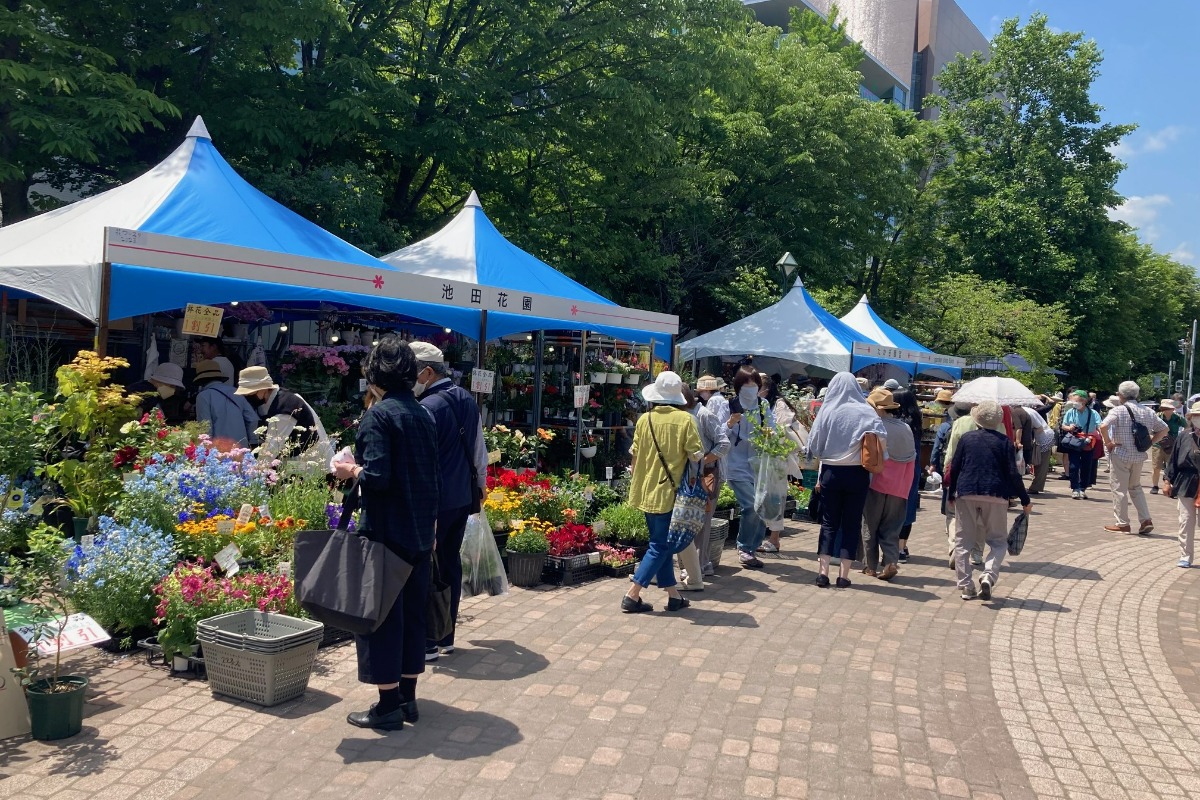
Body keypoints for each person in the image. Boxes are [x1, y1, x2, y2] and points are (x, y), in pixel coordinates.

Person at [332, 336, 439, 731]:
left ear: (375, 374)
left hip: (385, 534)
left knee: (380, 618)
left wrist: (350, 471)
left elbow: (377, 477)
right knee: (413, 616)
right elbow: (432, 476)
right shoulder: (423, 414)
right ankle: (408, 700)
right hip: (419, 532)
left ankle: (387, 704)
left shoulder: (379, 417)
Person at [410, 342, 488, 662]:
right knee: (450, 564)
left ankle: (429, 641)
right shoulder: (466, 399)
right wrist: (480, 488)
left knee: (429, 568)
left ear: (427, 372)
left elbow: (423, 464)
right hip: (462, 498)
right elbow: (478, 449)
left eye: (411, 372)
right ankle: (447, 635)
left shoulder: (428, 407)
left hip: (437, 502)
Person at [622, 372, 702, 613]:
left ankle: (673, 595)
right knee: (660, 546)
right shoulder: (686, 420)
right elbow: (696, 455)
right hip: (671, 494)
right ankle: (632, 594)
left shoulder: (644, 419)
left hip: (645, 490)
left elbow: (635, 457)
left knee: (661, 543)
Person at [805, 372, 887, 588]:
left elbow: (813, 445)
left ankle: (823, 573)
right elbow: (882, 444)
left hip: (831, 472)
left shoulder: (828, 410)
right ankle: (844, 575)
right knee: (851, 524)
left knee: (829, 522)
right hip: (858, 473)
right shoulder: (866, 411)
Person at [947, 401, 1031, 600]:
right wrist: (1025, 499)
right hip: (996, 494)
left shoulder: (967, 439)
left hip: (966, 492)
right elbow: (1013, 473)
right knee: (998, 542)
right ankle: (988, 574)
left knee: (962, 542)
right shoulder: (1004, 442)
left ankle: (966, 585)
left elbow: (955, 467)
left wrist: (951, 493)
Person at [1100, 381, 1168, 534]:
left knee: (1119, 489)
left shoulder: (1118, 410)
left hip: (1121, 454)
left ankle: (1123, 523)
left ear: (1121, 395)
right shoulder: (1148, 411)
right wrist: (1150, 443)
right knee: (1136, 488)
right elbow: (1164, 429)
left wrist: (1108, 443)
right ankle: (1146, 520)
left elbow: (1103, 426)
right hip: (1139, 455)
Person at [860, 389, 915, 581]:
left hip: (876, 484)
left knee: (870, 526)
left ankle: (870, 566)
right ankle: (891, 561)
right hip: (900, 488)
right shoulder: (906, 428)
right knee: (892, 528)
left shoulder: (875, 426)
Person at [725, 367, 776, 569]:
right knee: (750, 506)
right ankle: (744, 548)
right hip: (735, 465)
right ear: (738, 387)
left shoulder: (763, 406)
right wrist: (730, 423)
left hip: (758, 464)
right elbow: (718, 434)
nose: (751, 390)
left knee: (761, 507)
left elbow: (772, 428)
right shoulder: (728, 405)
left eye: (754, 386)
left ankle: (752, 549)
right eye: (746, 386)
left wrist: (770, 434)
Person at [679, 385, 729, 588]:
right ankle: (700, 564)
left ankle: (697, 566)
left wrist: (703, 460)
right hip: (686, 473)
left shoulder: (704, 415)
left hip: (706, 473)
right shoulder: (681, 415)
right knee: (688, 519)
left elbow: (724, 444)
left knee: (701, 520)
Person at [758, 375, 803, 553]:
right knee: (764, 498)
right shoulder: (762, 404)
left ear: (766, 389)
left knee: (775, 497)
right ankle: (768, 537)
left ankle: (774, 538)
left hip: (776, 458)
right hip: (765, 458)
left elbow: (781, 432)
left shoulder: (779, 405)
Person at [234, 366, 321, 455]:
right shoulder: (268, 403)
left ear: (263, 388)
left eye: (250, 393)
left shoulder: (284, 407)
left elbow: (272, 450)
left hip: (303, 460)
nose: (248, 396)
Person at [1163, 402, 1200, 568]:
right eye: (1196, 416)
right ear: (1190, 417)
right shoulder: (1184, 435)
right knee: (1186, 520)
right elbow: (1173, 461)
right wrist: (1167, 480)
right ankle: (1185, 555)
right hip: (1186, 482)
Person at [193, 359, 259, 449]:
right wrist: (252, 442)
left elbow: (205, 428)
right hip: (241, 449)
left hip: (219, 451)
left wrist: (205, 450)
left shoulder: (203, 396)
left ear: (201, 380)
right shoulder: (236, 392)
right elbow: (252, 419)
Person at [891, 387, 924, 563]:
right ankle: (902, 547)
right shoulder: (917, 420)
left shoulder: (894, 422)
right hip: (912, 468)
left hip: (893, 469)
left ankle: (895, 547)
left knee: (892, 507)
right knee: (908, 507)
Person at [1061, 389, 1101, 500]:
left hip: (1088, 441)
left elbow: (1100, 426)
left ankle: (1083, 488)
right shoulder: (1070, 412)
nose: (1074, 403)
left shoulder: (1093, 413)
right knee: (1073, 466)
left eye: (1076, 401)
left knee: (1087, 466)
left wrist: (1101, 436)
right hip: (1074, 441)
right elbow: (1063, 425)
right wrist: (1069, 428)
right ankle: (1075, 488)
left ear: (1083, 401)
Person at [1150, 399, 1185, 494]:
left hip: (1172, 446)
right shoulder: (1157, 417)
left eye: (1169, 408)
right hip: (1158, 444)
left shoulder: (1177, 418)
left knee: (1171, 467)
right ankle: (1155, 486)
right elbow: (1149, 429)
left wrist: (1181, 438)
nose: (1166, 410)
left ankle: (1170, 486)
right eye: (1164, 408)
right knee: (1156, 467)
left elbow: (1187, 427)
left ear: (1173, 409)